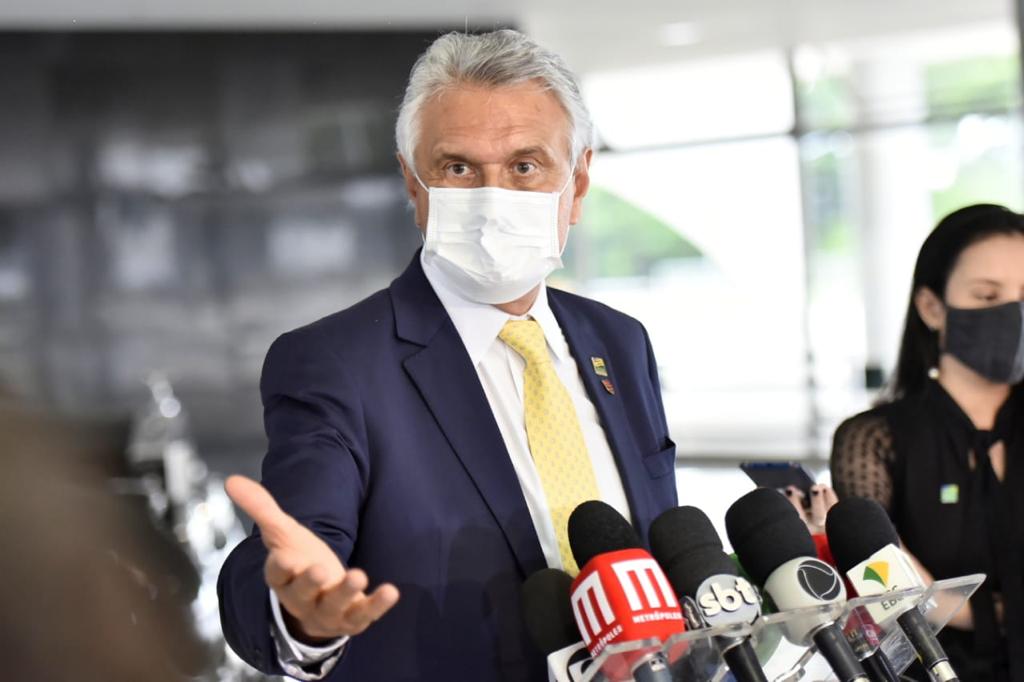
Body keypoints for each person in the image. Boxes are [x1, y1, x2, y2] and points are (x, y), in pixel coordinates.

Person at [217, 29, 678, 681]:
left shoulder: (620, 343)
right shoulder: (335, 364)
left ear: (576, 185)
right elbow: (297, 551)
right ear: (414, 185)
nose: (492, 200)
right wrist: (301, 612)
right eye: (458, 169)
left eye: (525, 166)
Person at [831, 204, 1024, 682]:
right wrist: (977, 615)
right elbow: (880, 575)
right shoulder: (874, 439)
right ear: (931, 307)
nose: (1013, 313)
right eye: (987, 295)